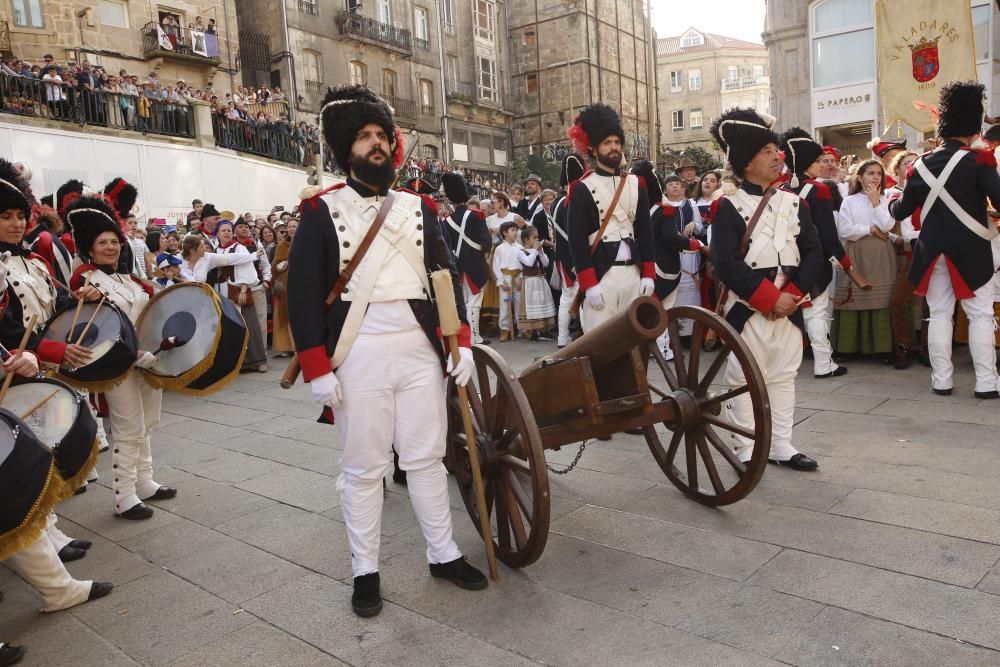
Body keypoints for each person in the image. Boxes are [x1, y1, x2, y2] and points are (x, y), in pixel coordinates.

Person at [287, 84, 487, 618]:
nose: (376, 144)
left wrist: (460, 342)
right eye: (364, 137)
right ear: (344, 149)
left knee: (425, 459)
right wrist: (316, 368)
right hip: (358, 353)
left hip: (420, 351)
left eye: (381, 135)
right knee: (364, 468)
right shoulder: (320, 210)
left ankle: (443, 554)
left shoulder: (419, 208)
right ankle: (365, 571)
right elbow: (303, 294)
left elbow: (443, 278)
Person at [709, 107, 822, 471]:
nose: (778, 156)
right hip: (749, 306)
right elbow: (726, 262)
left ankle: (781, 444)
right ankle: (745, 446)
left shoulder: (794, 202)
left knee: (784, 374)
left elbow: (814, 251)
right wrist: (770, 299)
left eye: (777, 150)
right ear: (746, 163)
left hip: (790, 303)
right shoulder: (727, 206)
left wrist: (794, 294)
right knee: (743, 376)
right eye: (767, 152)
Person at [66, 194, 177, 519]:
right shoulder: (86, 282)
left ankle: (145, 482)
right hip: (118, 366)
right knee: (128, 429)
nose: (111, 247)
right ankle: (124, 495)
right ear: (90, 248)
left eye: (115, 241)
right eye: (103, 242)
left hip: (150, 362)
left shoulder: (131, 280)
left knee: (148, 424)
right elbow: (96, 329)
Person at [889, 80, 1000, 398]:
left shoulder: (919, 165)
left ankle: (942, 380)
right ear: (973, 124)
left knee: (938, 313)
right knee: (980, 313)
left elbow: (901, 210)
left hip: (932, 248)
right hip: (972, 247)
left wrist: (890, 204)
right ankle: (987, 383)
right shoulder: (980, 160)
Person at [565, 103, 654, 332]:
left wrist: (648, 274)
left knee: (635, 345)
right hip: (602, 277)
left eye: (616, 142)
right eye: (607, 143)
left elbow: (645, 233)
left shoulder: (637, 184)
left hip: (633, 275)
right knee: (601, 346)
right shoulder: (582, 188)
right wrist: (589, 283)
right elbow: (577, 241)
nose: (614, 147)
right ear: (594, 149)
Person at [779, 127, 852, 378]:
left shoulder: (781, 189)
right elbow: (828, 235)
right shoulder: (819, 190)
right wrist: (845, 263)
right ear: (807, 163)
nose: (822, 165)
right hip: (815, 259)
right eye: (817, 161)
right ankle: (823, 363)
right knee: (816, 312)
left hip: (787, 260)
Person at [631, 160, 698, 360]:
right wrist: (692, 245)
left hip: (646, 265)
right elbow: (670, 238)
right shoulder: (664, 208)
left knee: (653, 310)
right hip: (665, 267)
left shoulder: (641, 209)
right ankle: (663, 348)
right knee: (663, 311)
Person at [831, 159, 896, 357]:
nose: (875, 177)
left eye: (878, 173)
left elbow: (887, 226)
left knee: (881, 297)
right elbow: (845, 231)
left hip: (881, 254)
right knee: (855, 296)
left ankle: (882, 348)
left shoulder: (886, 199)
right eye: (870, 173)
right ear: (860, 177)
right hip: (856, 253)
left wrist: (876, 202)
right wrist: (870, 229)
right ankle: (848, 348)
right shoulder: (850, 201)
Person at [441, 173, 491, 345]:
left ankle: (468, 335)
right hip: (475, 263)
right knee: (475, 302)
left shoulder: (446, 221)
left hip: (457, 265)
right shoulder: (476, 215)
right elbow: (486, 242)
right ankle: (474, 336)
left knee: (462, 302)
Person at [884, 150, 923, 369]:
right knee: (898, 301)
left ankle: (928, 347)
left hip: (928, 250)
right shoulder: (891, 193)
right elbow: (883, 224)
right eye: (906, 163)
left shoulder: (926, 189)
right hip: (905, 255)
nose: (911, 165)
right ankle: (903, 346)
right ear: (897, 168)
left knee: (932, 305)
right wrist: (898, 239)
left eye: (914, 162)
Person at [214, 220, 267, 372]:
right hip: (223, 292)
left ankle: (258, 361)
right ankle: (238, 362)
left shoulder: (239, 247)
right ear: (217, 233)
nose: (226, 233)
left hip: (237, 290)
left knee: (249, 324)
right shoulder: (217, 250)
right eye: (223, 230)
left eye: (229, 230)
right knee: (232, 327)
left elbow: (247, 269)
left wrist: (244, 290)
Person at [661, 174, 703, 339]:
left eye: (677, 184)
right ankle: (672, 333)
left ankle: (689, 334)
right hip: (671, 253)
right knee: (673, 290)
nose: (675, 186)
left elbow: (701, 229)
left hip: (690, 254)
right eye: (671, 184)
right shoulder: (661, 206)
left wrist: (694, 225)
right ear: (666, 189)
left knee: (691, 289)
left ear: (683, 187)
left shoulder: (691, 204)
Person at [551, 153, 586, 347]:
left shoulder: (556, 203)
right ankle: (585, 336)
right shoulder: (575, 200)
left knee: (567, 298)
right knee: (583, 298)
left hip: (562, 256)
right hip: (577, 255)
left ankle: (562, 337)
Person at [235, 218, 271, 354]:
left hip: (256, 287)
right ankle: (244, 357)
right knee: (242, 323)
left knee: (261, 323)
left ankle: (262, 355)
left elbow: (266, 264)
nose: (244, 229)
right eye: (241, 227)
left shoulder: (256, 244)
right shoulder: (231, 246)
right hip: (237, 290)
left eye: (246, 227)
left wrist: (266, 280)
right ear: (235, 230)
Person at [517, 225, 555, 339]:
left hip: (540, 280)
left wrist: (541, 252)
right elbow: (528, 263)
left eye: (537, 237)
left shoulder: (538, 250)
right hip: (530, 282)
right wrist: (534, 251)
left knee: (542, 303)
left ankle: (544, 330)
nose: (537, 240)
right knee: (532, 306)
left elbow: (546, 263)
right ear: (526, 240)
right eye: (534, 237)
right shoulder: (521, 252)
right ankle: (533, 332)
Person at [493, 221, 523, 341]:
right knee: (505, 304)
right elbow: (496, 266)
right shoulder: (499, 249)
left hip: (517, 278)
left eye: (516, 230)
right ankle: (505, 329)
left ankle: (522, 329)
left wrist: (521, 278)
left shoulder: (520, 247)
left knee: (519, 304)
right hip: (505, 279)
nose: (516, 232)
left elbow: (524, 264)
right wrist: (501, 281)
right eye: (512, 230)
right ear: (505, 233)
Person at [270, 217, 296, 357]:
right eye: (290, 226)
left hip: (302, 285)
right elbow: (274, 267)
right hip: (285, 285)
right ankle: (286, 346)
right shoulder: (281, 245)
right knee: (284, 315)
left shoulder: (307, 243)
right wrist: (280, 266)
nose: (292, 228)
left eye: (294, 226)